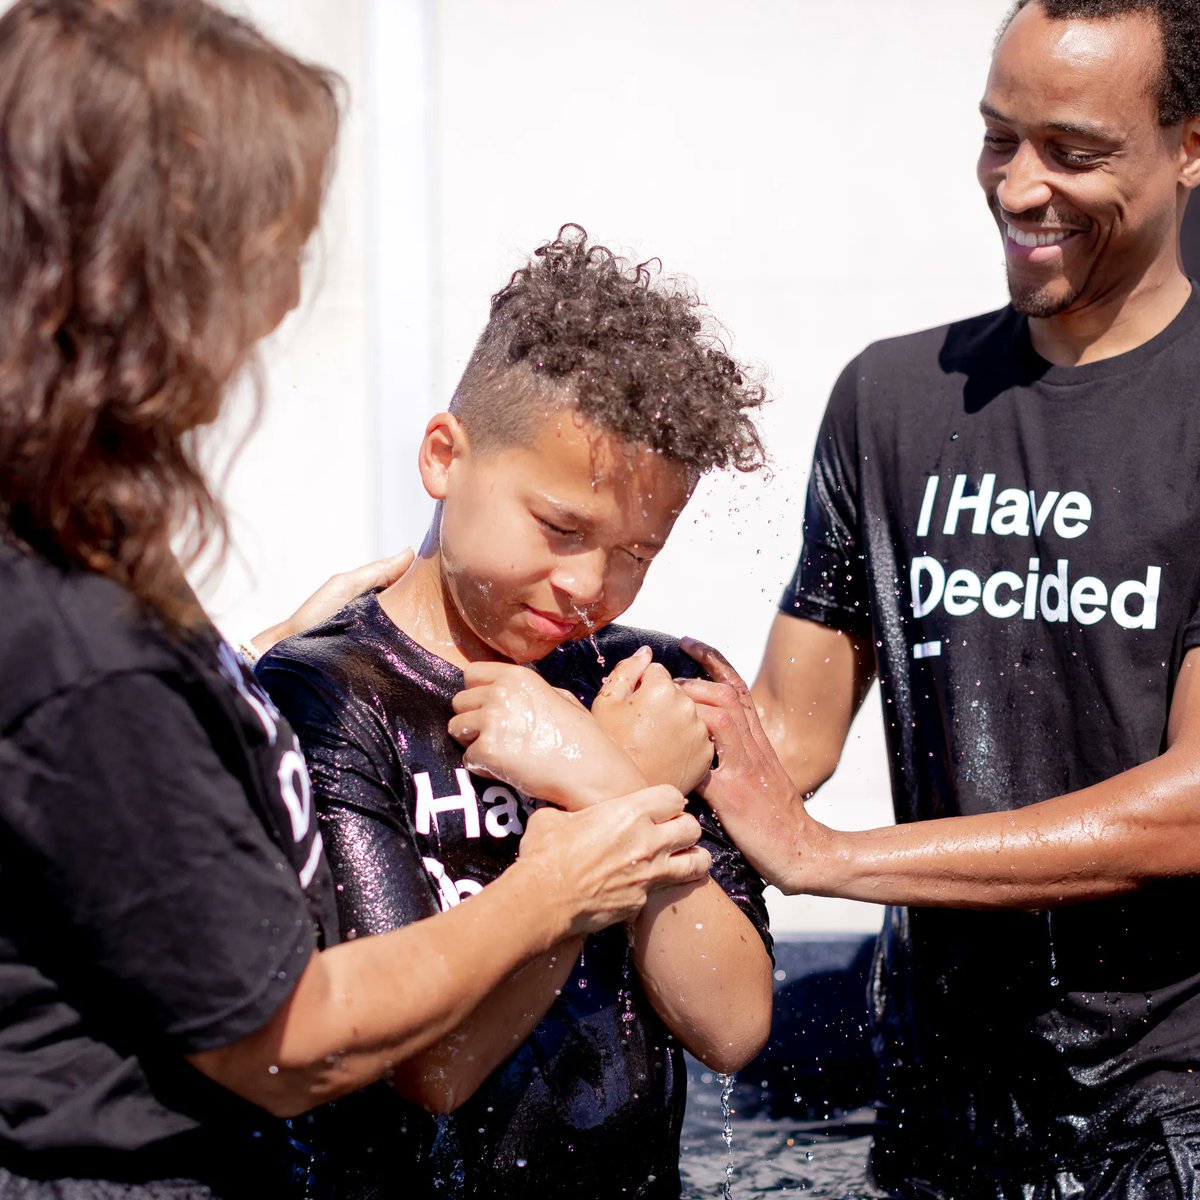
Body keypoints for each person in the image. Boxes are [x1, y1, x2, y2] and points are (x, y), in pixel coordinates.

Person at [0, 5, 712, 1197]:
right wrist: (559, 881)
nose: (284, 298)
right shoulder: (75, 626)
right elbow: (294, 1040)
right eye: (271, 244)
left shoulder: (72, 526)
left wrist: (231, 663)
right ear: (149, 266)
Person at [680, 2, 1200, 1197]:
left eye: (1074, 152)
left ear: (1188, 143)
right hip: (937, 1106)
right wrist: (541, 710)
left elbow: (1191, 803)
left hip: (1168, 1123)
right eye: (997, 139)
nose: (1020, 190)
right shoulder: (895, 400)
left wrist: (832, 859)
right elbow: (789, 733)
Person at [257, 226, 776, 1199]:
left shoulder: (646, 690)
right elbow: (428, 1071)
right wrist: (601, 831)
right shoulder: (331, 699)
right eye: (560, 528)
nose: (589, 584)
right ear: (445, 457)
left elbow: (736, 1025)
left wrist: (607, 778)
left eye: (637, 552)